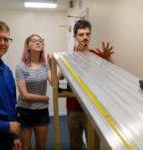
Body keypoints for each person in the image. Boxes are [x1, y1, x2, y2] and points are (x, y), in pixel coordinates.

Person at [57, 20, 114, 150]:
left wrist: (108, 58)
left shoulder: (97, 55)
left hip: (94, 109)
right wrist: (75, 58)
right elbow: (58, 77)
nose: (85, 37)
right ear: (75, 37)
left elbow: (113, 75)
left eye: (87, 34)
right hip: (73, 107)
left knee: (93, 145)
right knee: (75, 144)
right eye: (81, 34)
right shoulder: (69, 57)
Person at [16, 34, 51, 150]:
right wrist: (44, 98)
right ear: (27, 46)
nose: (38, 42)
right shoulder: (21, 67)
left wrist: (55, 64)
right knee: (25, 147)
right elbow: (24, 95)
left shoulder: (45, 66)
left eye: (40, 40)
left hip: (41, 111)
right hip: (25, 110)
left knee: (41, 146)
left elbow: (55, 81)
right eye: (34, 41)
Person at [0, 19, 21, 150]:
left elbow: (11, 106)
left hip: (7, 137)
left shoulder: (7, 72)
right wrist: (5, 126)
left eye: (6, 39)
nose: (2, 43)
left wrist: (14, 136)